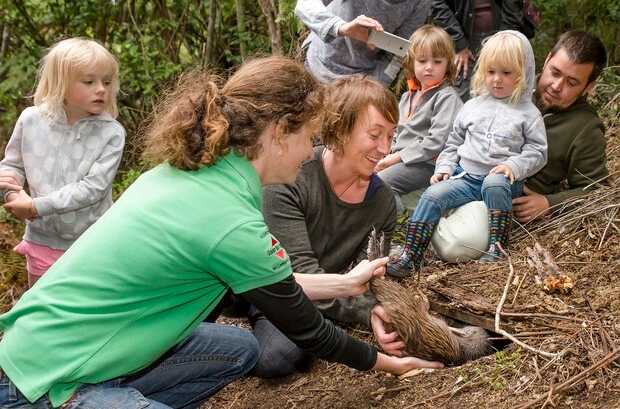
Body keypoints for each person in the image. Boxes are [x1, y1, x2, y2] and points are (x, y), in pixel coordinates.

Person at [0, 57, 443, 409]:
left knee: (237, 349)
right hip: (44, 382)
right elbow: (309, 329)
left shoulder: (190, 175)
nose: (311, 150)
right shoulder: (230, 218)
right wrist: (391, 364)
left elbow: (277, 281)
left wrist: (347, 283)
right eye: (308, 136)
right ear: (278, 132)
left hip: (41, 346)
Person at [251, 76, 442, 378]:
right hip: (280, 291)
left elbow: (368, 275)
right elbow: (298, 271)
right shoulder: (289, 179)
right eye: (374, 134)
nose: (384, 148)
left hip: (335, 296)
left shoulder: (383, 203)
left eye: (391, 136)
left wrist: (374, 311)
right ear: (340, 130)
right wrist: (364, 310)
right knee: (277, 357)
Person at [387, 30, 547, 278]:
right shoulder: (472, 107)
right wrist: (445, 168)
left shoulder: (528, 113)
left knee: (494, 181)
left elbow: (537, 151)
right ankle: (411, 254)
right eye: (491, 71)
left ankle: (497, 246)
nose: (496, 80)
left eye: (506, 73)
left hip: (503, 184)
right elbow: (453, 143)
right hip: (468, 178)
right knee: (432, 194)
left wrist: (514, 166)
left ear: (522, 74)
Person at [0, 37, 126, 287]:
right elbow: (11, 167)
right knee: (39, 309)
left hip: (92, 241)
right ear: (61, 83)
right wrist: (13, 197)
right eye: (89, 81)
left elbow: (93, 188)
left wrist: (35, 206)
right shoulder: (31, 120)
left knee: (85, 310)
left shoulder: (111, 133)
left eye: (107, 81)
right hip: (41, 239)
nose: (101, 89)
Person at [512, 30, 608, 222]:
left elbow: (596, 190)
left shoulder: (585, 128)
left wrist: (549, 203)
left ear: (588, 87)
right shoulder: (511, 83)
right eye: (555, 72)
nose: (556, 86)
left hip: (507, 212)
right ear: (547, 60)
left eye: (571, 82)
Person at [375, 24, 463, 211]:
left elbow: (436, 142)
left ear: (448, 63)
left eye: (437, 62)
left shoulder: (447, 96)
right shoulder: (407, 97)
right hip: (400, 160)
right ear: (412, 62)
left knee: (380, 184)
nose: (429, 68)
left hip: (428, 163)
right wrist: (385, 154)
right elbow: (396, 133)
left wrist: (397, 158)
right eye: (422, 61)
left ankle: (401, 225)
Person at [295, 0, 432, 87]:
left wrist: (374, 85)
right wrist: (341, 27)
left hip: (359, 84)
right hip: (318, 65)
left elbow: (398, 51)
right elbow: (306, 3)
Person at [432, 0, 528, 101]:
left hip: (501, 36)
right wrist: (458, 42)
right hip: (463, 39)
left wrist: (505, 40)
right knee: (461, 95)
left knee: (505, 93)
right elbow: (437, 3)